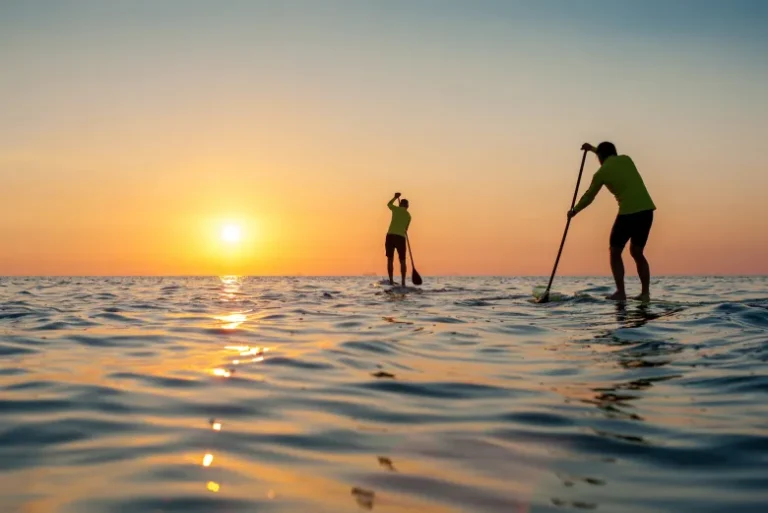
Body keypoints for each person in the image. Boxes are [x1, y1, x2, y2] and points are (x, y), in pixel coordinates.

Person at [568, 142, 656, 302]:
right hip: (647, 211)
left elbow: (589, 196)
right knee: (637, 252)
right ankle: (645, 294)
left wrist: (574, 211)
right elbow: (608, 155)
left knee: (615, 251)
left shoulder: (601, 172)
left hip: (629, 213)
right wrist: (592, 149)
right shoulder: (626, 159)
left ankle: (621, 292)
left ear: (600, 157)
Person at [385, 192, 411, 286]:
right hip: (400, 237)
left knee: (390, 259)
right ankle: (403, 282)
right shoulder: (408, 216)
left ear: (400, 205)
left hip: (390, 236)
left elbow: (389, 204)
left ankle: (391, 281)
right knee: (403, 260)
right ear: (407, 206)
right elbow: (406, 230)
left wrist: (395, 197)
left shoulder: (395, 209)